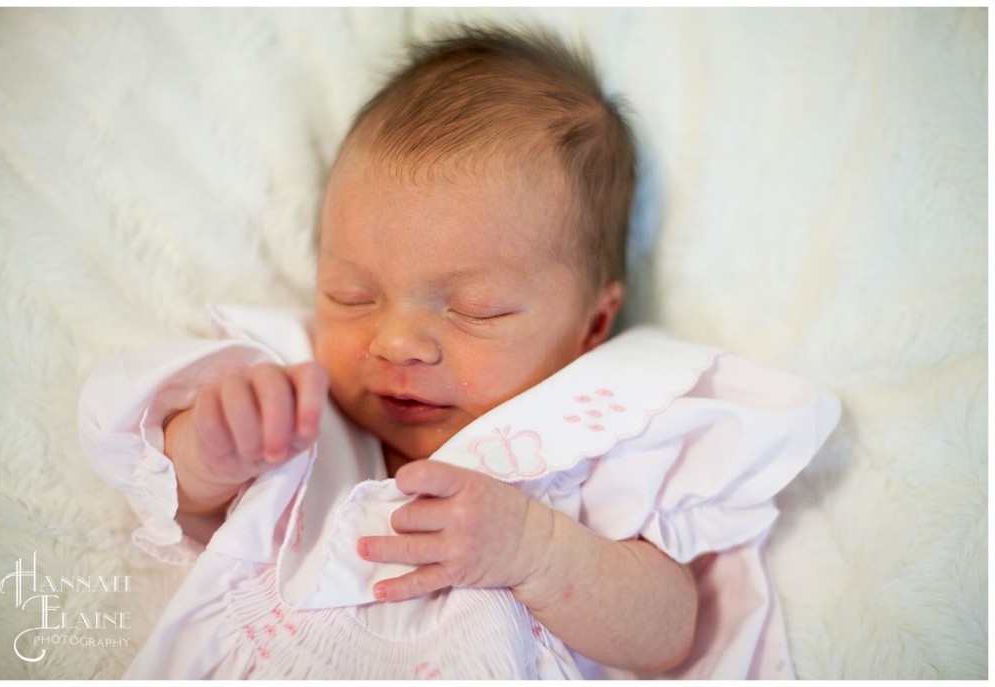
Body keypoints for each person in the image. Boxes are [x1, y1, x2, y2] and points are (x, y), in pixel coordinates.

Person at [79, 24, 839, 679]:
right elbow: (174, 492)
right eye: (353, 294)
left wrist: (537, 549)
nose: (396, 341)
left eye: (477, 309)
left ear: (591, 324)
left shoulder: (597, 434)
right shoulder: (297, 396)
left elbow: (671, 628)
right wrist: (215, 446)